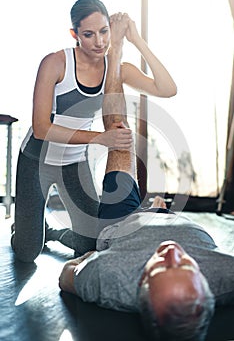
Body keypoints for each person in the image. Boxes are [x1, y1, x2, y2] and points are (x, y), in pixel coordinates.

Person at [59, 20, 234, 341]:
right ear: (207, 283)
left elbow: (66, 277)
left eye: (158, 268)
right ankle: (156, 207)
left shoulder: (109, 279)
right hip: (166, 216)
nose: (171, 253)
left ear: (140, 283)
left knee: (119, 131)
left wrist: (89, 260)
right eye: (185, 267)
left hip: (124, 219)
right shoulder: (228, 278)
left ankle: (54, 232)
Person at [11, 0, 177, 263]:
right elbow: (41, 128)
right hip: (36, 161)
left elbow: (168, 89)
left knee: (91, 244)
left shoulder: (117, 70)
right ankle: (25, 231)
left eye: (104, 31)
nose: (99, 42)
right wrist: (101, 138)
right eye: (88, 34)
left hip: (74, 164)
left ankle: (51, 232)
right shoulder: (55, 63)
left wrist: (137, 40)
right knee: (27, 252)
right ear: (74, 34)